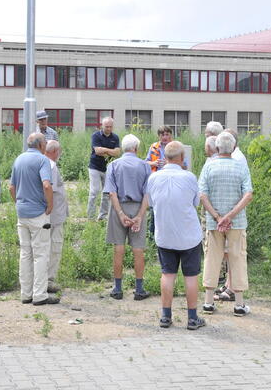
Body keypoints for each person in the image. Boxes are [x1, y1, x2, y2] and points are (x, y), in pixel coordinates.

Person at [147, 141, 205, 330]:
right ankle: (192, 318)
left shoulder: (153, 178)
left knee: (167, 274)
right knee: (190, 276)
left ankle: (165, 316)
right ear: (182, 158)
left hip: (165, 234)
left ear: (165, 157)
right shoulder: (189, 177)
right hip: (189, 236)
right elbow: (196, 202)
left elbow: (151, 203)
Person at [199, 132, 253, 317]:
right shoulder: (240, 167)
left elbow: (202, 195)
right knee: (237, 258)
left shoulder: (209, 167)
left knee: (211, 258)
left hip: (215, 224)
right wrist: (229, 216)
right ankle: (238, 304)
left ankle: (208, 302)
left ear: (217, 147)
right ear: (234, 147)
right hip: (236, 222)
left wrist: (216, 216)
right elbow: (248, 194)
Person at [9, 133, 58, 305]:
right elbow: (46, 185)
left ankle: (26, 294)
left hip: (22, 213)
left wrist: (19, 203)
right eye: (44, 142)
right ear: (40, 145)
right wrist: (49, 205)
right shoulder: (43, 160)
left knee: (25, 254)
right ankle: (39, 295)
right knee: (41, 254)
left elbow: (11, 187)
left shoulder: (19, 159)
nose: (46, 144)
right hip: (38, 213)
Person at [103, 134, 151, 301]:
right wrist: (139, 215)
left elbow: (112, 193)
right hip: (138, 206)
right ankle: (139, 289)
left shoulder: (114, 165)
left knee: (119, 248)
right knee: (138, 249)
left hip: (119, 207)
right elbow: (147, 193)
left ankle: (117, 288)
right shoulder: (145, 166)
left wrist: (121, 213)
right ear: (136, 148)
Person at [146, 125, 188, 236]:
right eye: (162, 135)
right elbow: (146, 162)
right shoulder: (154, 147)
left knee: (172, 208)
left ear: (171, 135)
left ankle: (172, 233)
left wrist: (169, 163)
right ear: (159, 136)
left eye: (167, 134)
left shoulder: (177, 147)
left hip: (174, 181)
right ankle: (152, 236)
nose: (165, 137)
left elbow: (185, 166)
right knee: (155, 208)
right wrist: (153, 163)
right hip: (158, 181)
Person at [44, 140, 69, 293]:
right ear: (55, 152)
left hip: (52, 214)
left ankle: (44, 278)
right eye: (59, 152)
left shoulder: (44, 163)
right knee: (54, 246)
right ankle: (49, 279)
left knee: (45, 246)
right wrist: (50, 208)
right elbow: (49, 189)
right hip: (54, 215)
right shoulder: (51, 165)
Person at [87, 117, 120, 220]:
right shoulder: (96, 136)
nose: (109, 129)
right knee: (94, 192)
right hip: (95, 167)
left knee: (106, 193)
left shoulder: (115, 137)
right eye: (106, 127)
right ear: (102, 125)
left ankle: (102, 216)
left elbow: (117, 153)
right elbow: (97, 151)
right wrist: (110, 151)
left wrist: (104, 150)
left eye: (110, 127)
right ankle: (91, 217)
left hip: (108, 168)